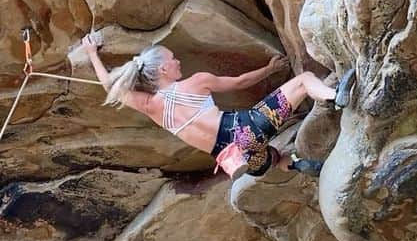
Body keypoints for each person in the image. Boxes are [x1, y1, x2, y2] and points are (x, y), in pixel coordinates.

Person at [76, 34, 355, 178]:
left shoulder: (150, 106)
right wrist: (269, 70)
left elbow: (110, 86)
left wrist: (92, 55)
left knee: (273, 156)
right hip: (246, 129)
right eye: (173, 60)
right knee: (305, 80)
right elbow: (239, 83)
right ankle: (335, 97)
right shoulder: (197, 82)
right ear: (163, 69)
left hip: (235, 158)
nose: (178, 62)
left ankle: (294, 165)